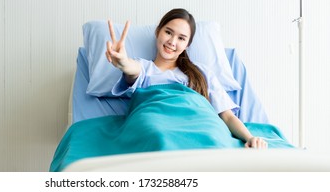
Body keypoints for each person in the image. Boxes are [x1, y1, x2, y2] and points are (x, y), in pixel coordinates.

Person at [105, 8, 268, 149]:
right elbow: (131, 69)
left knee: (213, 138)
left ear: (187, 44)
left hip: (202, 124)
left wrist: (250, 138)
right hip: (157, 123)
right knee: (157, 136)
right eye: (168, 32)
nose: (172, 42)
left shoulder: (202, 73)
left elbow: (227, 116)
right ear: (158, 32)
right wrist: (123, 62)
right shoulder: (145, 68)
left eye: (181, 38)